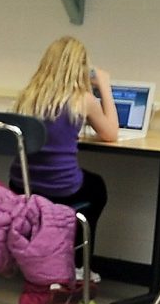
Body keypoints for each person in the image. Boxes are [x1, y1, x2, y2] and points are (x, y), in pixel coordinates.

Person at [11, 35, 119, 259]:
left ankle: (39, 250)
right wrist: (105, 87)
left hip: (21, 184)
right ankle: (78, 262)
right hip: (60, 187)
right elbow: (110, 134)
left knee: (89, 183)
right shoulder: (83, 100)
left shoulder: (27, 96)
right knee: (97, 188)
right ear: (79, 68)